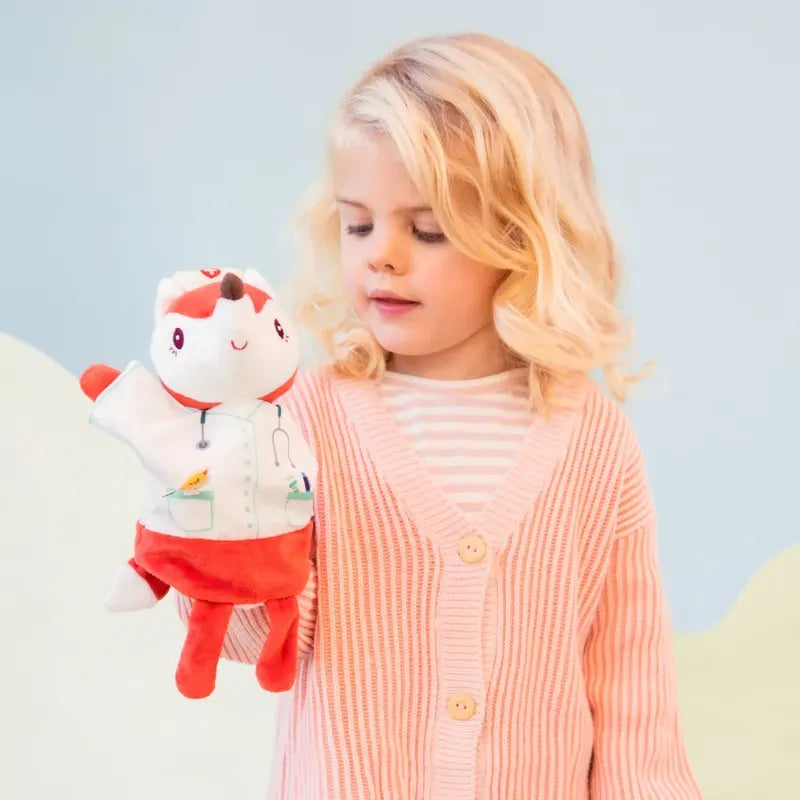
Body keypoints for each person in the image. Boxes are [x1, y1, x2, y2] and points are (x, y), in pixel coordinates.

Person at [176, 31, 703, 799]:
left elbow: (632, 693)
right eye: (358, 224)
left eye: (427, 230)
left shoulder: (591, 438)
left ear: (523, 240)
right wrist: (215, 509)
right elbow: (258, 640)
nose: (381, 255)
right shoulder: (307, 417)